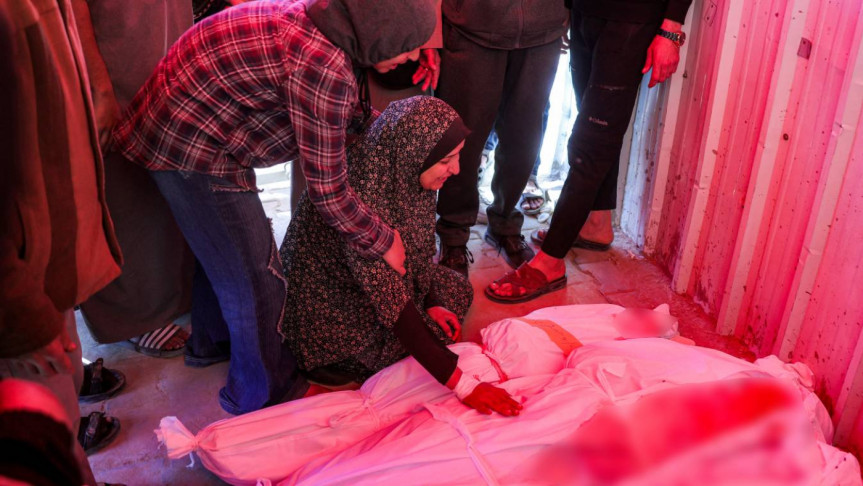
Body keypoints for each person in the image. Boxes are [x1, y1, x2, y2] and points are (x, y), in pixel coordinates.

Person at [112, 0, 438, 414]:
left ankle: (214, 343)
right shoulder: (323, 64)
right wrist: (382, 240)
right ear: (379, 31)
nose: (414, 56)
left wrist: (393, 132)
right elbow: (329, 192)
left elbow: (344, 114)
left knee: (223, 255)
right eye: (408, 44)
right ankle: (266, 393)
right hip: (191, 145)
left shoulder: (331, 26)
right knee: (258, 279)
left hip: (186, 119)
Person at [280, 96, 520, 416]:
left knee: (453, 291)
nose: (456, 169)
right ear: (414, 152)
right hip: (331, 320)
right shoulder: (361, 199)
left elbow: (419, 247)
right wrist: (463, 384)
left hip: (363, 287)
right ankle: (337, 370)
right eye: (446, 160)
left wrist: (432, 300)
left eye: (458, 156)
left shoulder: (402, 164)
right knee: (429, 337)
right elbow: (390, 301)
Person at [487, 0, 692, 303]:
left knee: (590, 141)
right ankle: (597, 223)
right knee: (595, 123)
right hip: (586, 11)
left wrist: (671, 28)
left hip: (632, 20)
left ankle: (550, 263)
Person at [0, 1, 124, 482]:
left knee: (61, 410)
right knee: (42, 433)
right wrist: (23, 316)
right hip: (18, 286)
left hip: (44, 259)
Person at [74, 0, 196, 358]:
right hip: (113, 34)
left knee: (167, 146)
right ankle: (136, 316)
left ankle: (171, 294)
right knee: (122, 170)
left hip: (158, 22)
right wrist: (98, 85)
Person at [434, 0, 569, 276]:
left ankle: (506, 223)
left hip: (543, 28)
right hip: (471, 27)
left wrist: (569, 13)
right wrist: (431, 35)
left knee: (524, 139)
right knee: (462, 139)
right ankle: (453, 234)